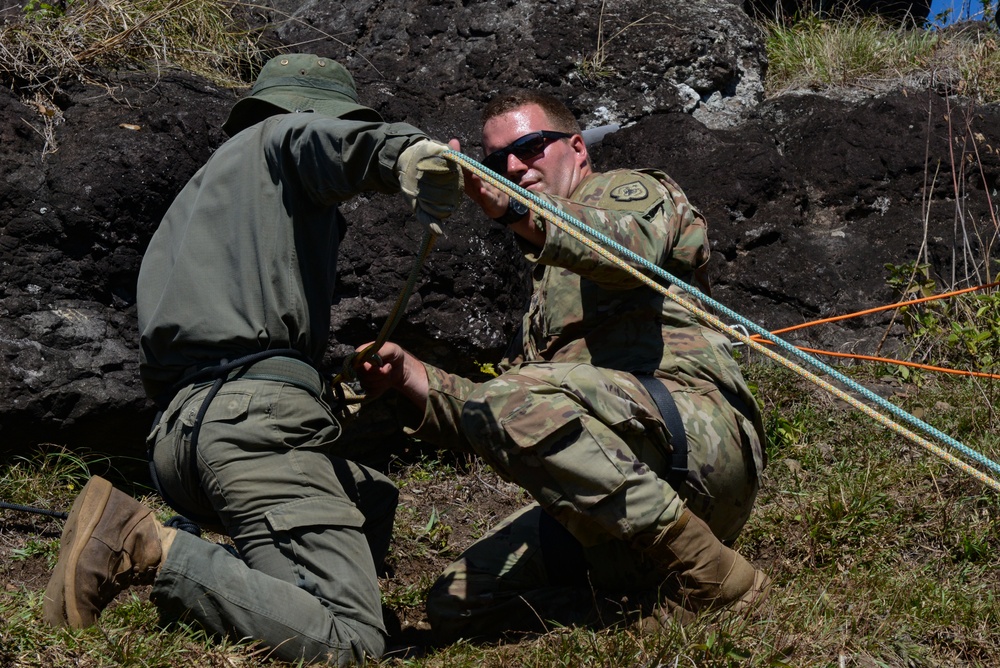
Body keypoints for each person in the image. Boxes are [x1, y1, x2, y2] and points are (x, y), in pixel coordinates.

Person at [42, 53, 463, 665]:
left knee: (370, 494)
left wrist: (322, 388)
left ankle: (264, 600)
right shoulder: (283, 136)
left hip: (182, 436)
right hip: (252, 429)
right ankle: (145, 544)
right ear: (311, 113)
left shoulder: (202, 203)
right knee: (354, 644)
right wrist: (404, 152)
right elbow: (322, 142)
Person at [356, 90, 770, 641]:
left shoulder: (630, 193)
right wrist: (410, 376)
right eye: (495, 160)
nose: (511, 166)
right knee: (455, 602)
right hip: (619, 495)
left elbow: (630, 248)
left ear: (576, 147)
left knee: (518, 391)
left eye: (528, 146)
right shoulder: (543, 290)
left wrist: (514, 209)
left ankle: (712, 573)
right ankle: (640, 611)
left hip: (697, 445)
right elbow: (507, 415)